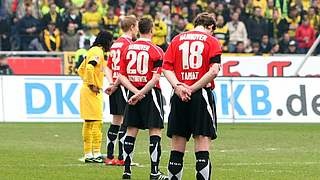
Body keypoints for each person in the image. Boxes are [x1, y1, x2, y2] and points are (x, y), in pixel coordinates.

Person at [163, 12, 221, 180]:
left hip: (179, 95)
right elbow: (214, 70)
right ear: (210, 27)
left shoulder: (177, 39)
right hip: (200, 95)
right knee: (202, 144)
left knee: (177, 146)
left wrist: (179, 86)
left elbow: (166, 68)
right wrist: (192, 88)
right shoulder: (211, 41)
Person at [119, 18, 168, 180]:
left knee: (131, 130)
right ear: (151, 30)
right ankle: (154, 172)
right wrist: (142, 93)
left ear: (138, 29)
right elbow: (155, 78)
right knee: (155, 131)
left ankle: (127, 171)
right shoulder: (157, 51)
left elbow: (121, 76)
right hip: (151, 93)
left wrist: (135, 92)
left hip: (132, 94)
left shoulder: (127, 49)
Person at [104, 16, 139, 166]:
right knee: (126, 122)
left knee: (115, 121)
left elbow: (108, 66)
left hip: (116, 85)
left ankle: (110, 155)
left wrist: (111, 82)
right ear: (131, 27)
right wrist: (117, 83)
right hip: (123, 86)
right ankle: (122, 157)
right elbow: (123, 72)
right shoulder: (129, 44)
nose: (137, 29)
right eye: (136, 26)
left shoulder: (116, 44)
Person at [77, 31, 113, 163]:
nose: (111, 44)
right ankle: (96, 152)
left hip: (86, 90)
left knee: (88, 122)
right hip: (92, 91)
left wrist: (86, 82)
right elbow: (90, 68)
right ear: (106, 41)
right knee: (97, 122)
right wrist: (92, 84)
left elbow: (81, 69)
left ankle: (88, 154)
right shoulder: (98, 52)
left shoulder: (91, 51)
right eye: (110, 41)